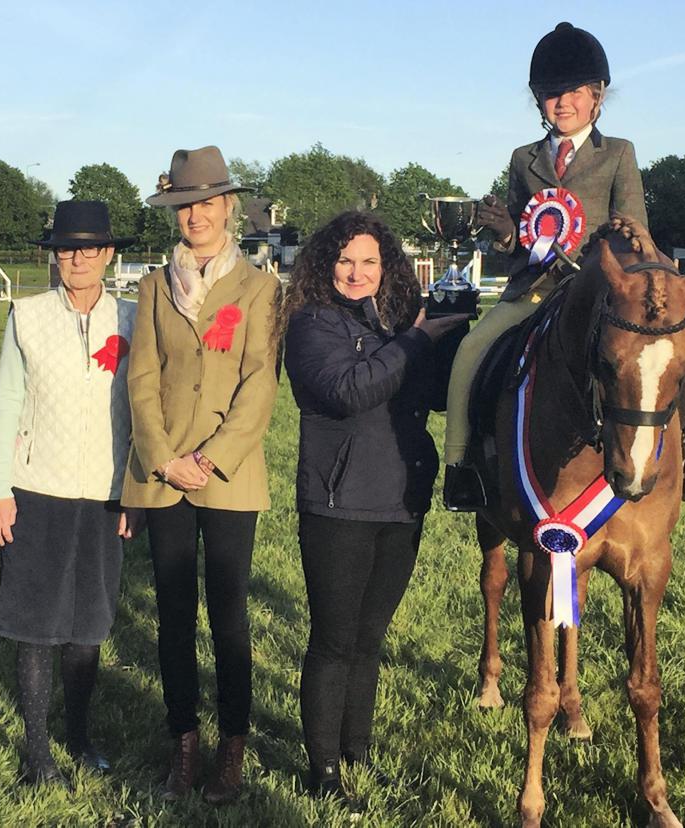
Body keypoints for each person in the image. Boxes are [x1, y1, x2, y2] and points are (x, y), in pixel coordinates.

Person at [444, 21, 685, 503]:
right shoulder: (523, 159)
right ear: (538, 100)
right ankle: (461, 463)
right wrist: (506, 231)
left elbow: (636, 230)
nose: (563, 102)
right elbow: (519, 238)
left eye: (574, 92)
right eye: (552, 94)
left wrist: (625, 238)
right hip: (535, 291)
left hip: (600, 294)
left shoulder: (618, 154)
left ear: (597, 96)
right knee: (472, 351)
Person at [282, 211, 467, 814]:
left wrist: (452, 332)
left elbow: (433, 396)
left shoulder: (392, 322)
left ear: (386, 267)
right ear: (325, 264)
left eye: (369, 261)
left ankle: (356, 753)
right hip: (339, 504)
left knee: (370, 639)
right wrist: (416, 340)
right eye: (345, 260)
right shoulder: (312, 323)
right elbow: (349, 390)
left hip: (400, 500)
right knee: (334, 641)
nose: (357, 272)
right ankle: (323, 771)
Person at [121, 146, 281, 804]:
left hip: (228, 474)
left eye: (207, 203)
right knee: (174, 615)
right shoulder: (153, 287)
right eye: (185, 206)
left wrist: (210, 458)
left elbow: (260, 386)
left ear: (228, 207)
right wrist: (165, 459)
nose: (196, 216)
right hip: (163, 474)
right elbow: (141, 379)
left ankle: (232, 748)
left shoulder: (261, 289)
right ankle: (183, 742)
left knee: (229, 616)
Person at [0, 200, 139, 785]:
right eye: (66, 249)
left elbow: (144, 411)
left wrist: (135, 491)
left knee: (87, 625)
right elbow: (7, 401)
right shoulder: (26, 316)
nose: (78, 259)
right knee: (36, 625)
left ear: (108, 254)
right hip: (36, 488)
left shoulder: (132, 320)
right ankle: (36, 752)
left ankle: (78, 736)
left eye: (89, 248)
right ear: (54, 256)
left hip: (104, 492)